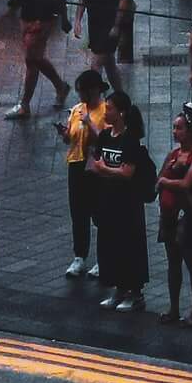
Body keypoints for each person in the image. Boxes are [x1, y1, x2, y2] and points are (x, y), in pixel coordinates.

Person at [87, 88, 151, 312]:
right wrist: (109, 169)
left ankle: (135, 292)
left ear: (121, 113)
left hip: (128, 203)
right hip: (109, 200)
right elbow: (97, 165)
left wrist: (107, 169)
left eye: (110, 108)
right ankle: (118, 288)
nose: (106, 112)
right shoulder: (105, 136)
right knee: (111, 244)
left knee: (129, 245)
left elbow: (127, 173)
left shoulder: (130, 141)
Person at [156, 109, 192, 324]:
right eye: (174, 127)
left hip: (187, 217)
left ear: (190, 131)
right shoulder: (172, 155)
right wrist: (168, 174)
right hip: (169, 214)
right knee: (173, 263)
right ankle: (174, 308)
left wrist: (167, 180)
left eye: (179, 128)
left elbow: (186, 183)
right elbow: (158, 178)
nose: (175, 132)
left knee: (191, 262)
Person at [56, 70, 110, 278]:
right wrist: (65, 134)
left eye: (82, 92)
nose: (80, 97)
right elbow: (70, 138)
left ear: (93, 90)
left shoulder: (105, 111)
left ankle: (102, 259)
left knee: (99, 212)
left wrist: (89, 122)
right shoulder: (77, 110)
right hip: (76, 164)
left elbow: (104, 138)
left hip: (95, 167)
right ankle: (80, 256)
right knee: (78, 212)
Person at [4, 0, 70, 120]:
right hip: (28, 16)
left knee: (32, 59)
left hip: (40, 19)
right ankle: (60, 86)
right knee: (33, 58)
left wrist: (59, 19)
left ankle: (26, 104)